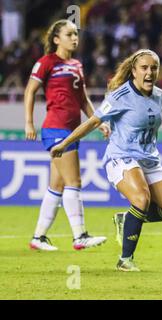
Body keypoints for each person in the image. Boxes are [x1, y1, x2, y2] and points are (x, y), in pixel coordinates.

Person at [50, 49, 162, 272]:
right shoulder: (120, 97)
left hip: (149, 159)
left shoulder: (160, 96)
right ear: (134, 71)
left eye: (154, 68)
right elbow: (93, 122)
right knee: (142, 199)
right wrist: (64, 143)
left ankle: (126, 219)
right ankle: (125, 260)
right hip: (121, 156)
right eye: (144, 68)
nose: (149, 73)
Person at [25, 19, 108, 251]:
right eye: (69, 34)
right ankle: (80, 235)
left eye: (76, 34)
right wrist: (29, 122)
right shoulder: (46, 62)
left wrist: (97, 121)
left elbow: (83, 99)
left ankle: (38, 237)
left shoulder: (76, 65)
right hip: (56, 129)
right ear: (56, 39)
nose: (74, 38)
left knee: (57, 185)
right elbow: (29, 91)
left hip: (72, 130)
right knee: (74, 181)